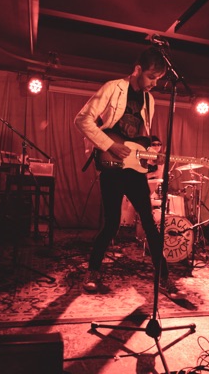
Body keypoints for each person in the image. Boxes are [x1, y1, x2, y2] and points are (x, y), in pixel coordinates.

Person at [74, 47, 186, 299]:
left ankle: (164, 277)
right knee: (111, 224)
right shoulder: (112, 88)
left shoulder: (150, 100)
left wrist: (150, 154)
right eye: (151, 77)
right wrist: (109, 145)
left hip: (134, 170)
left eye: (158, 79)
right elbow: (82, 120)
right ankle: (92, 271)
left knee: (149, 223)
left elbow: (140, 136)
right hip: (112, 166)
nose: (154, 84)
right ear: (137, 70)